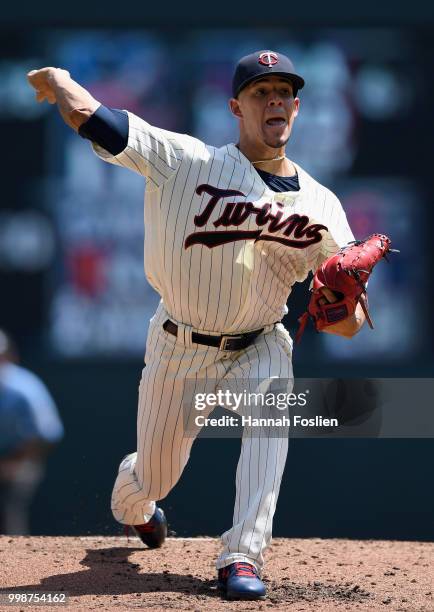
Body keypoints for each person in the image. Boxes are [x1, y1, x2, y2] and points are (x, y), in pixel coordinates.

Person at [27, 50, 365, 600]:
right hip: (179, 345)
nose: (274, 99)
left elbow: (345, 327)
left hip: (261, 343)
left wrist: (340, 306)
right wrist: (61, 81)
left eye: (284, 92)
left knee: (270, 420)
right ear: (236, 106)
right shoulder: (188, 160)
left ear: (298, 108)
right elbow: (99, 121)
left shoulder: (323, 206)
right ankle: (136, 505)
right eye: (261, 91)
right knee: (153, 478)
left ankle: (242, 556)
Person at [0, 329, 64, 534]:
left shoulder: (24, 387)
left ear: (9, 356)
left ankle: (13, 559)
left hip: (20, 461)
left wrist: (11, 463)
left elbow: (46, 434)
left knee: (8, 514)